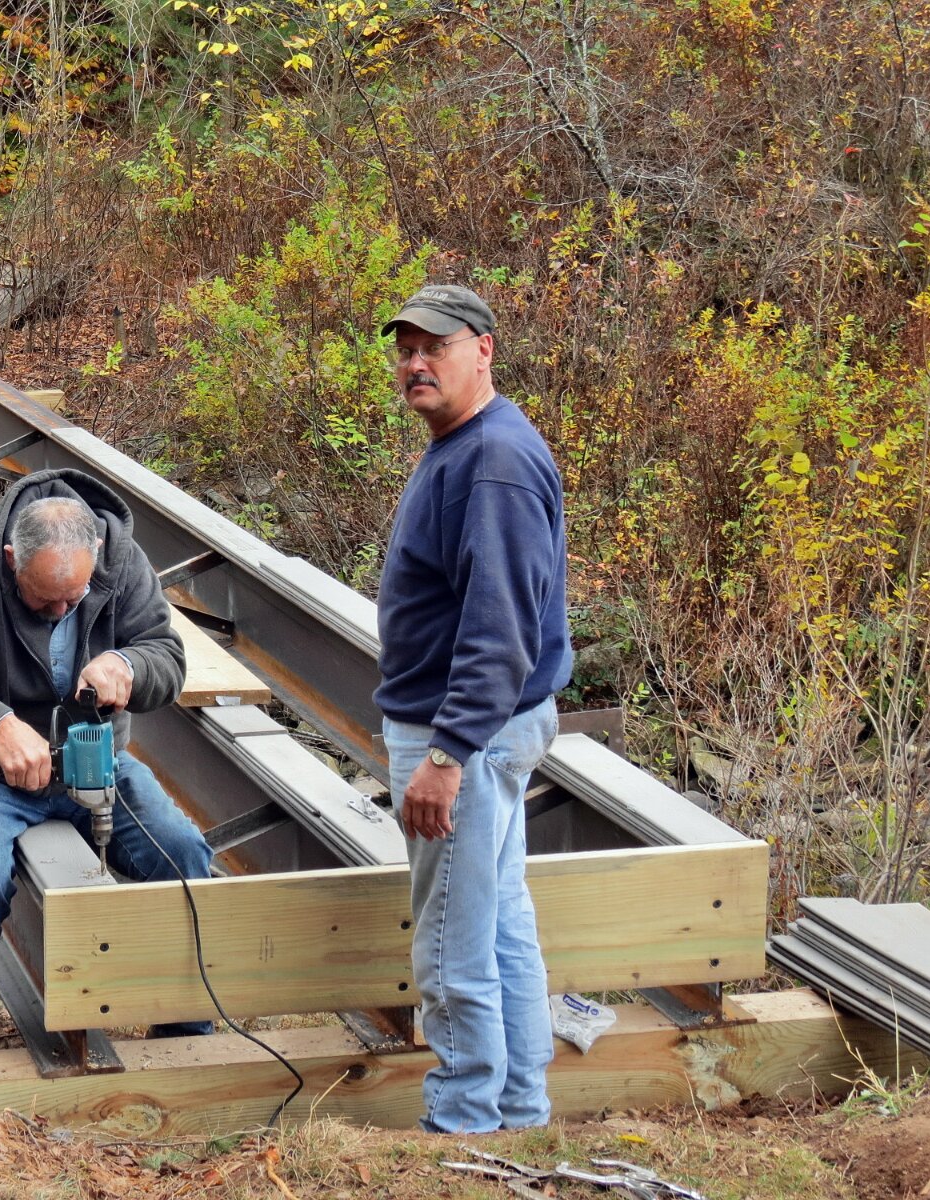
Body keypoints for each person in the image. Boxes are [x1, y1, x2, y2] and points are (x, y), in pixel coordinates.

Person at [0, 467, 214, 1054]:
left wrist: (128, 666)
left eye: (72, 598)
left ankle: (185, 1037)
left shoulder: (121, 560)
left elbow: (166, 656)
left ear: (96, 554)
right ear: (12, 559)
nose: (59, 611)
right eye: (42, 598)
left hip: (95, 762)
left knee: (182, 853)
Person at [374, 284, 573, 1133]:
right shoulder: (468, 444)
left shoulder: (492, 465)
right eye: (406, 350)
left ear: (483, 349)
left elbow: (501, 630)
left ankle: (462, 1119)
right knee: (498, 925)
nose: (417, 364)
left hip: (466, 737)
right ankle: (519, 1109)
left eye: (437, 347)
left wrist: (446, 754)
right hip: (484, 730)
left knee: (453, 942)